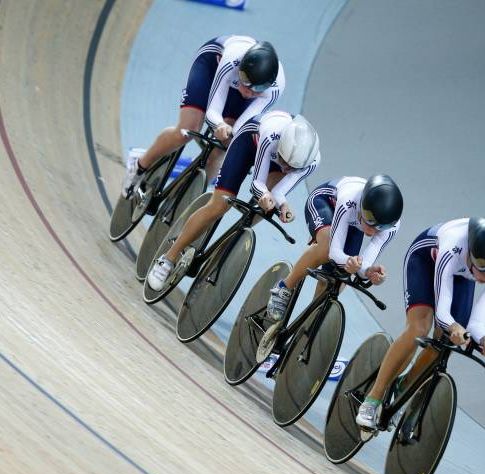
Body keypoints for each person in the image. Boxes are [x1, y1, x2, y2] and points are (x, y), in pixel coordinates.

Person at [146, 110, 320, 291]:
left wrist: (282, 204)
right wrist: (265, 194)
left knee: (266, 208)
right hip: (249, 145)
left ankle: (231, 239)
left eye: (292, 168)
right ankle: (168, 258)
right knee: (219, 206)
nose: (286, 169)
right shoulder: (272, 134)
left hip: (275, 160)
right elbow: (257, 184)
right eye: (285, 162)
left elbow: (279, 191)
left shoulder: (311, 162)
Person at [356, 217, 485, 430]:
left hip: (462, 275)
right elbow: (442, 314)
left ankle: (404, 388)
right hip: (426, 261)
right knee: (419, 327)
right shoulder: (453, 245)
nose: (483, 278)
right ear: (471, 254)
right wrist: (453, 326)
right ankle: (373, 399)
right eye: (482, 270)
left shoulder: (478, 270)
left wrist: (480, 339)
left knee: (446, 345)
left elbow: (477, 322)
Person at [122, 35, 285, 198]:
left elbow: (242, 126)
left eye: (256, 89)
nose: (247, 91)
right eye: (245, 82)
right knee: (188, 128)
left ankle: (184, 199)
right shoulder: (232, 58)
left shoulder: (273, 89)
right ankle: (139, 166)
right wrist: (219, 125)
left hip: (240, 92)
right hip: (211, 66)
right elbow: (213, 110)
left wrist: (231, 134)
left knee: (223, 147)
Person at [266, 175, 404, 321]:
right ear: (363, 208)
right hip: (325, 202)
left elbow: (362, 268)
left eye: (379, 228)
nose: (371, 232)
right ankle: (284, 287)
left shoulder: (391, 227)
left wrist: (369, 272)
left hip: (353, 223)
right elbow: (335, 252)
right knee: (326, 247)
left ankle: (308, 324)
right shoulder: (349, 199)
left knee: (336, 281)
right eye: (369, 223)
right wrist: (349, 262)